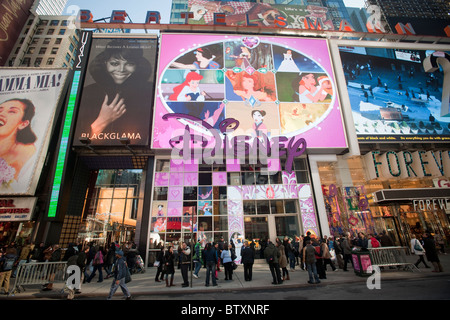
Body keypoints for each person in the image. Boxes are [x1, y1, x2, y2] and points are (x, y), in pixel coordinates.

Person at [74, 39, 154, 144]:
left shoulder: (150, 92)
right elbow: (79, 142)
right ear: (105, 63)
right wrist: (103, 120)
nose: (121, 69)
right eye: (115, 63)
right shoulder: (88, 93)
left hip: (137, 155)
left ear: (137, 66)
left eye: (129, 64)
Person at [0, 98, 37, 183]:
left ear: (23, 124)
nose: (2, 114)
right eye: (0, 110)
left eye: (12, 111)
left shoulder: (28, 157)